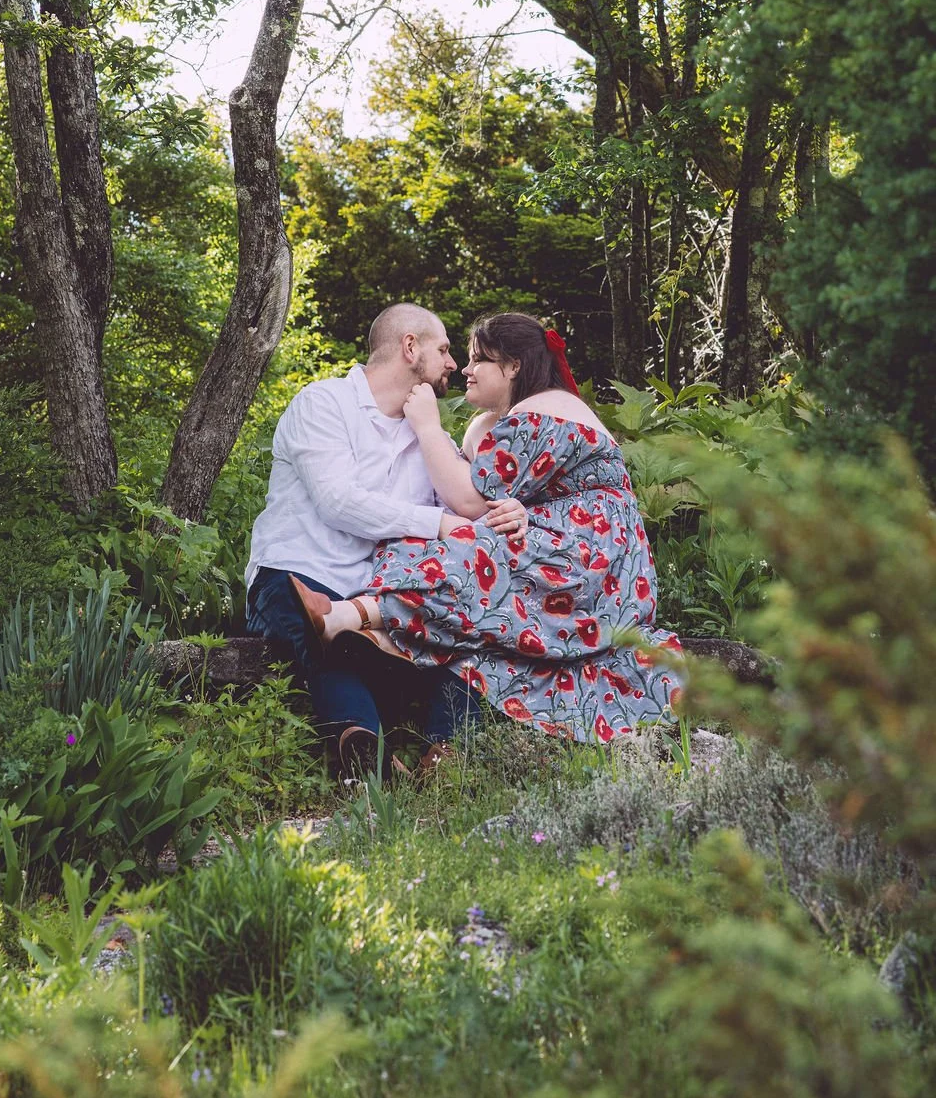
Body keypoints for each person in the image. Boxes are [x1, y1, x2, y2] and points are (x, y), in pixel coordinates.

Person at [290, 312, 684, 745]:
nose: (465, 368)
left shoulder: (546, 408)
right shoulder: (504, 421)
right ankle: (397, 664)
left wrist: (426, 425)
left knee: (467, 552)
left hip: (593, 558)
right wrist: (516, 509)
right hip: (565, 544)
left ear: (513, 366)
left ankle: (353, 615)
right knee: (478, 608)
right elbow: (482, 498)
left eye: (480, 359)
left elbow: (468, 502)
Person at [245, 302, 521, 777]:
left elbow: (468, 509)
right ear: (410, 348)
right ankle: (363, 750)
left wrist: (509, 509)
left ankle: (445, 754)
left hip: (380, 599)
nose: (455, 364)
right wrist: (434, 524)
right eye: (445, 350)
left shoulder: (426, 435)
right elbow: (338, 502)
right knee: (324, 635)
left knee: (485, 621)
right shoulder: (323, 403)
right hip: (298, 575)